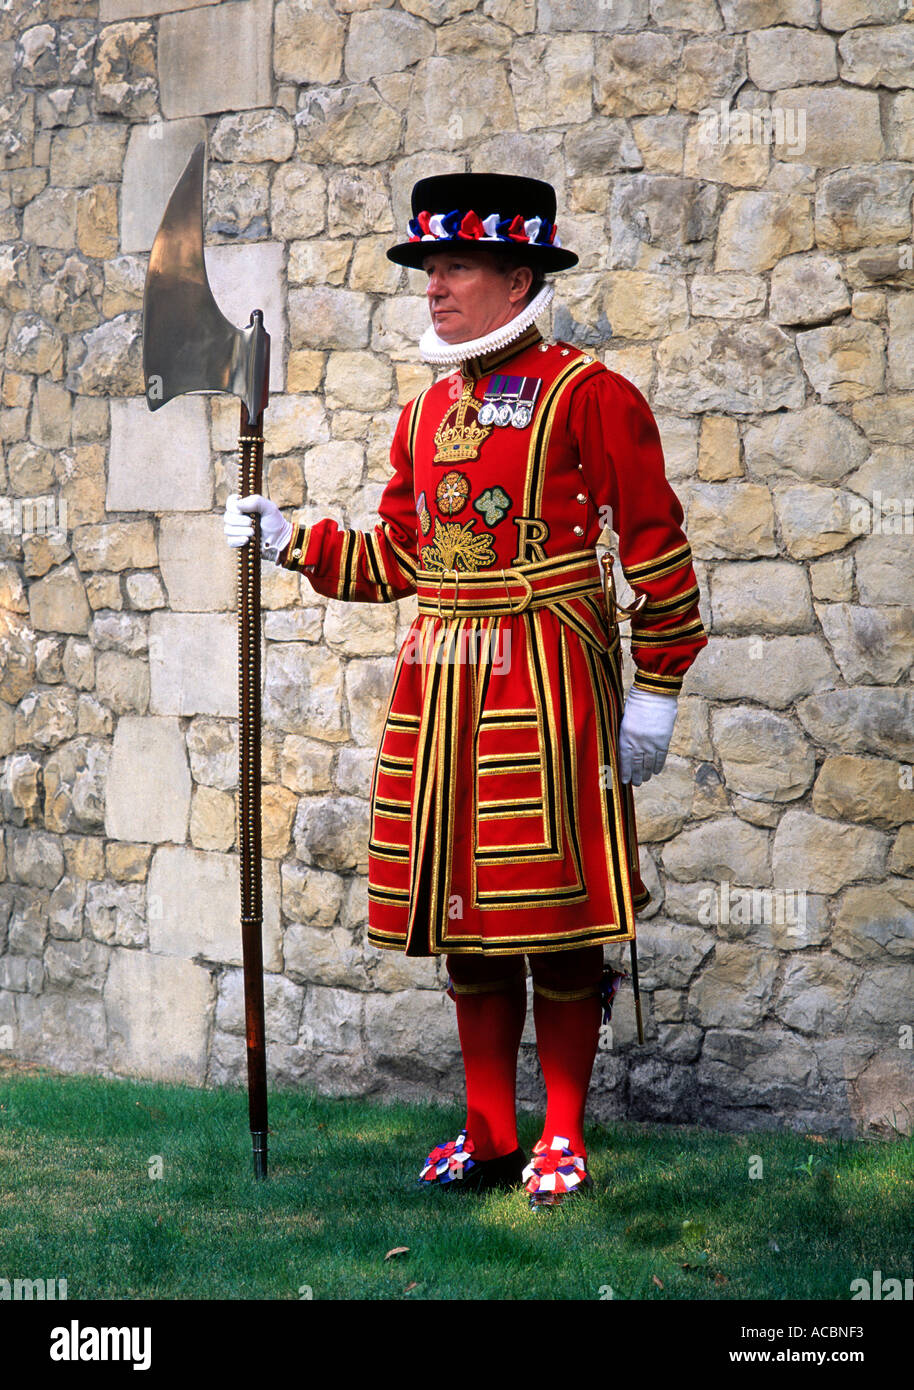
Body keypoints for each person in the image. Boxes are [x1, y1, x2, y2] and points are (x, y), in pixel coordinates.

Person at [224, 172, 707, 1209]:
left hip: (547, 679)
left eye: (452, 266)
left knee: (556, 915)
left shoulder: (593, 394)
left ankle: (564, 1132)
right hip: (437, 686)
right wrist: (288, 542)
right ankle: (490, 1128)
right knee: (467, 915)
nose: (432, 287)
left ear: (516, 273)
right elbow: (398, 559)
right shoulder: (424, 409)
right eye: (428, 267)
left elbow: (660, 558)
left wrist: (652, 694)